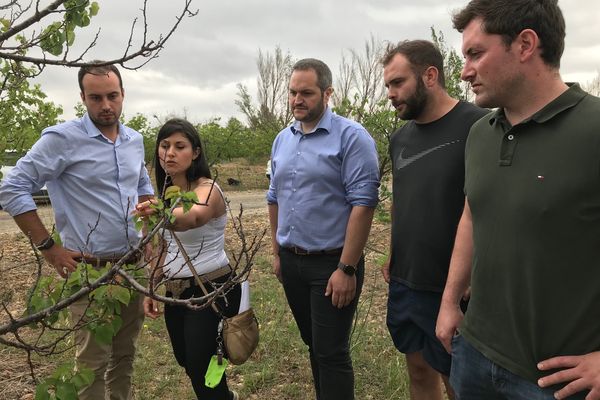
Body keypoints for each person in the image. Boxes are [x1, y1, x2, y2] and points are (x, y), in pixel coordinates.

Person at [435, 1, 600, 399]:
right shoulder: (480, 134)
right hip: (473, 355)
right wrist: (449, 302)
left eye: (475, 53)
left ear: (525, 44)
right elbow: (472, 216)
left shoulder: (593, 129)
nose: (464, 71)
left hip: (555, 381)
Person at [0, 63, 154, 399]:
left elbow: (143, 186)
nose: (106, 105)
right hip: (89, 271)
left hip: (132, 268)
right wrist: (48, 246)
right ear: (82, 98)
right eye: (96, 97)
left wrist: (149, 229)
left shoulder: (134, 140)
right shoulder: (63, 139)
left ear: (123, 95)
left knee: (125, 356)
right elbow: (11, 188)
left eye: (112, 96)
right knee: (91, 364)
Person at [267, 58, 380, 400]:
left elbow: (363, 204)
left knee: (331, 351)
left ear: (327, 93)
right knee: (314, 345)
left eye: (306, 93)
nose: (297, 100)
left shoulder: (351, 137)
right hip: (291, 261)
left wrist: (347, 268)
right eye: (292, 92)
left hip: (332, 264)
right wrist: (276, 253)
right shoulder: (282, 139)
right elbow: (274, 197)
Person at [381, 40, 488, 400]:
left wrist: (471, 277)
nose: (391, 94)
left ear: (430, 76)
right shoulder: (399, 138)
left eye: (398, 83)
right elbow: (402, 201)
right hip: (406, 281)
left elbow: (489, 207)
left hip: (455, 288)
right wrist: (393, 254)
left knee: (457, 382)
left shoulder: (480, 125)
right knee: (418, 371)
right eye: (388, 86)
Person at [137, 118, 241, 400]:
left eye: (179, 146)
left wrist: (160, 213)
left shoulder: (208, 190)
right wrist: (151, 287)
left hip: (211, 289)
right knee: (188, 362)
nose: (169, 153)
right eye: (164, 145)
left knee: (201, 366)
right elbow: (162, 248)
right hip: (176, 292)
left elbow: (192, 217)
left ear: (195, 152)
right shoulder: (167, 196)